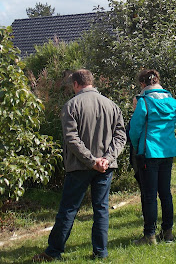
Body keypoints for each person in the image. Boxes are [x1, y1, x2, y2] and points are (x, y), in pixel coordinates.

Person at [33, 69, 126, 262]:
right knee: (101, 208)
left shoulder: (71, 105)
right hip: (105, 167)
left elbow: (71, 139)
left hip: (80, 166)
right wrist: (107, 159)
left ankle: (53, 252)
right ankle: (101, 252)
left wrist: (92, 161)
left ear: (76, 84)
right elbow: (121, 136)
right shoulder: (111, 105)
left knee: (69, 209)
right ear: (91, 82)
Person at [129, 69, 176, 245]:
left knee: (149, 195)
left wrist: (136, 147)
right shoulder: (172, 102)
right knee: (165, 193)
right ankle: (168, 232)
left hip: (149, 152)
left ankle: (149, 235)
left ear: (143, 84)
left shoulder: (144, 102)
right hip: (167, 150)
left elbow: (134, 129)